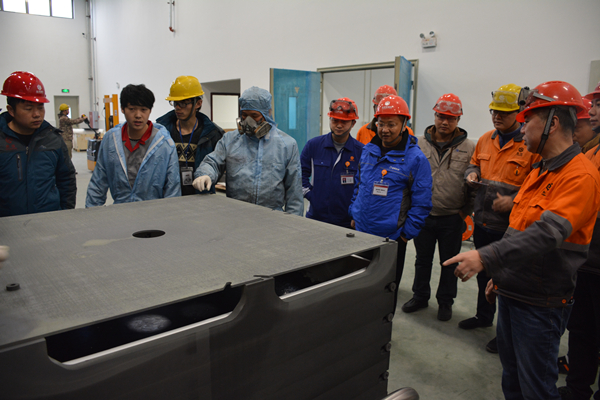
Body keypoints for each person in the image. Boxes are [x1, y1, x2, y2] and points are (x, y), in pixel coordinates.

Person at [445, 81, 600, 400]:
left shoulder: (580, 175)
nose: (523, 127)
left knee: (536, 389)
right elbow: (518, 227)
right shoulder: (541, 170)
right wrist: (500, 277)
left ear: (552, 123)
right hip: (514, 291)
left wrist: (485, 257)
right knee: (512, 380)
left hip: (541, 302)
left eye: (528, 120)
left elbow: (547, 233)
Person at [460, 83, 540, 353]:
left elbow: (538, 184)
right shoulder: (485, 139)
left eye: (504, 113)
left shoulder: (530, 144)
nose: (497, 117)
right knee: (483, 275)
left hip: (510, 228)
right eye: (494, 111)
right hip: (483, 222)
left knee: (505, 281)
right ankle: (483, 317)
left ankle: (504, 335)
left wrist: (514, 199)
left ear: (519, 113)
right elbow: (473, 163)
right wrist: (471, 174)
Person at [349, 95, 432, 306]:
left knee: (384, 292)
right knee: (358, 287)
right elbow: (359, 184)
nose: (385, 129)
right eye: (381, 123)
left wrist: (405, 235)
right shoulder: (368, 150)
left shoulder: (416, 159)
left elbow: (422, 202)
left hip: (391, 238)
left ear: (404, 125)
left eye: (391, 124)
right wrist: (354, 212)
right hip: (361, 231)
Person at [401, 93, 475, 321]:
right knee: (422, 260)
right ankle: (420, 296)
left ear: (458, 120)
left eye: (451, 118)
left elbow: (474, 184)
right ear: (434, 116)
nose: (445, 122)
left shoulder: (469, 148)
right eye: (441, 116)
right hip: (422, 215)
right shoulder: (418, 144)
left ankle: (445, 302)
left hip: (452, 217)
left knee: (449, 262)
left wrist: (464, 212)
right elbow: (407, 178)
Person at [193, 86, 303, 215]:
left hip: (272, 216)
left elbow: (294, 192)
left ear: (267, 114)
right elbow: (213, 162)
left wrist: (293, 222)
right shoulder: (230, 140)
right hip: (236, 214)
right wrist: (205, 174)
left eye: (254, 116)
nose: (248, 121)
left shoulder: (286, 145)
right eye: (244, 115)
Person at [558, 82, 600, 400]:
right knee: (582, 329)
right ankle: (577, 390)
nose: (593, 111)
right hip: (585, 260)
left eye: (598, 105)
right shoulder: (590, 152)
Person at [86, 84, 181, 207]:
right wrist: (92, 212)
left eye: (143, 110)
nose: (138, 115)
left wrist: (170, 215)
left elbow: (172, 188)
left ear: (150, 110)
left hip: (153, 212)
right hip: (120, 212)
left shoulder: (164, 143)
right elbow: (98, 182)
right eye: (132, 109)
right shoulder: (111, 140)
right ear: (122, 109)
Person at [0, 71, 76, 217]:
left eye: (40, 107)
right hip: (8, 224)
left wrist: (65, 214)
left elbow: (66, 178)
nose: (37, 114)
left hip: (48, 220)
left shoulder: (53, 139)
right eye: (28, 109)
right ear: (11, 110)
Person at [300, 97, 363, 228]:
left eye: (344, 121)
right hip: (316, 217)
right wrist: (311, 196)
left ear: (353, 123)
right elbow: (300, 174)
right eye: (335, 120)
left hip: (346, 221)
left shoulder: (361, 151)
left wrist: (355, 211)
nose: (339, 125)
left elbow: (364, 185)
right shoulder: (313, 145)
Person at [156, 76, 224, 196]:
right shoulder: (162, 131)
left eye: (183, 103)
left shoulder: (213, 134)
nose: (177, 107)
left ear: (198, 103)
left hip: (201, 196)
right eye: (175, 103)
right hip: (169, 197)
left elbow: (218, 167)